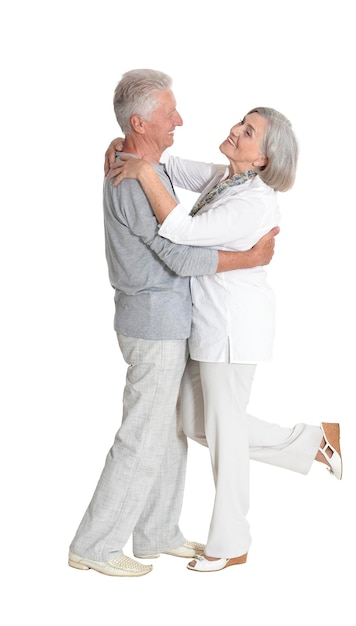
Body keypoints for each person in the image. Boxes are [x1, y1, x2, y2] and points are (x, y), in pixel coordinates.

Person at [105, 104, 343, 573]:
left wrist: (140, 172)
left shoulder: (252, 201)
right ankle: (313, 440)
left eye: (249, 131)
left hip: (233, 329)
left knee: (222, 431)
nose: (235, 130)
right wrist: (119, 147)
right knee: (201, 425)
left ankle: (231, 540)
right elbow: (168, 164)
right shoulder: (225, 177)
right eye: (241, 121)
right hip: (208, 326)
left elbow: (182, 231)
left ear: (263, 160)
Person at [68, 69, 279, 578]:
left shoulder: (145, 165)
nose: (179, 120)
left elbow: (177, 182)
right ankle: (94, 545)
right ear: (141, 122)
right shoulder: (132, 177)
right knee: (142, 435)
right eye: (169, 113)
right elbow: (178, 255)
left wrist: (124, 145)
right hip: (154, 322)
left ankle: (158, 531)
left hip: (170, 320)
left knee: (170, 432)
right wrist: (249, 259)